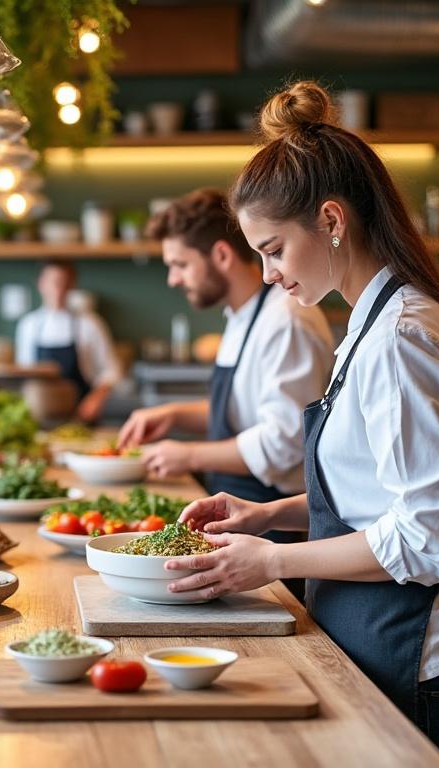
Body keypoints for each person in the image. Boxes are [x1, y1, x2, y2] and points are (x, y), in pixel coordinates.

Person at [166, 81, 439, 767]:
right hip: (372, 646)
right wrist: (267, 515)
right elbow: (375, 496)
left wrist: (274, 560)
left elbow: (429, 538)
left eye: (274, 250)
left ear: (331, 220)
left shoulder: (403, 335)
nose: (265, 275)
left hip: (420, 671)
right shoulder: (369, 326)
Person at [119, 189, 333, 601]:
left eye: (180, 264)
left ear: (220, 255)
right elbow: (245, 410)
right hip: (238, 514)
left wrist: (189, 455)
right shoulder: (240, 316)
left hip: (272, 527)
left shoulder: (286, 320)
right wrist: (176, 415)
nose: (173, 279)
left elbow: (283, 442)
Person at [14, 260, 122, 424]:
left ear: (72, 285)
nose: (58, 289)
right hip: (40, 417)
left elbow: (112, 371)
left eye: (63, 282)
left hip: (80, 417)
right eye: (53, 282)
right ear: (41, 284)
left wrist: (96, 399)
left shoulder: (89, 324)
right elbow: (24, 373)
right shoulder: (28, 325)